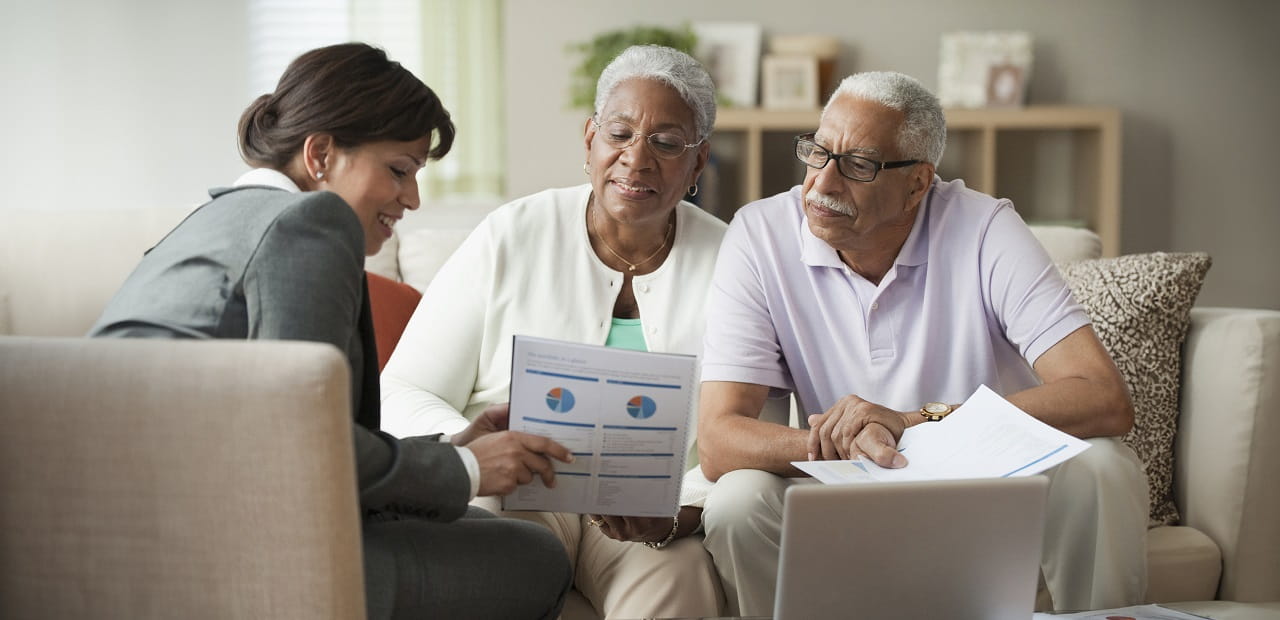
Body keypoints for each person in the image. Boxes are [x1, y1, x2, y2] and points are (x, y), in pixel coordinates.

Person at [88, 43, 573, 620]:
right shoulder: (308, 223)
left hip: (152, 536)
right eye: (399, 170)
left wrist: (452, 449)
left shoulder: (210, 221)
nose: (413, 199)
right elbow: (299, 445)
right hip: (235, 553)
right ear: (320, 153)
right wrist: (469, 470)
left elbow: (282, 430)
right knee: (535, 558)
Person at [695, 71, 1148, 615]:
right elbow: (720, 440)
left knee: (1103, 466)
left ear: (918, 183)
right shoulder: (760, 233)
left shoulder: (985, 228)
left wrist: (909, 422)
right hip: (841, 492)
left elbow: (1103, 396)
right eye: (817, 152)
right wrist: (851, 444)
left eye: (858, 165)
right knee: (738, 500)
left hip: (987, 489)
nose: (821, 184)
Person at [381, 45, 737, 618]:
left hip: (650, 515)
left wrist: (681, 512)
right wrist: (481, 452)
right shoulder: (511, 234)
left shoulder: (734, 262)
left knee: (679, 578)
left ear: (698, 165)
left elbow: (752, 435)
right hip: (513, 494)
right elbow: (401, 391)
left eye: (667, 143)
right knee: (486, 545)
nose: (636, 159)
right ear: (590, 138)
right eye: (619, 133)